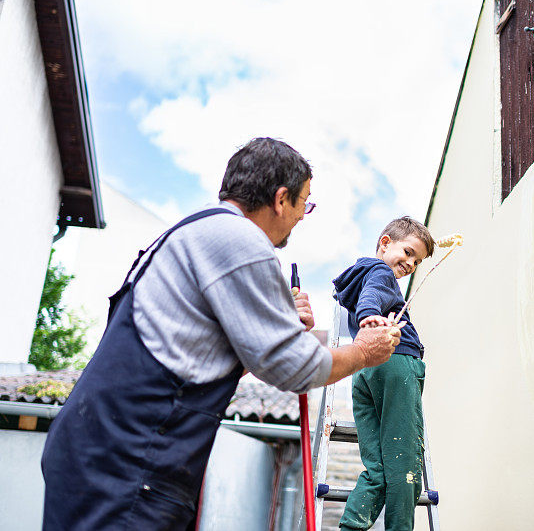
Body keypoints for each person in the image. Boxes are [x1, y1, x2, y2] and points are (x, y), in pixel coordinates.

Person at [40, 137, 402, 530]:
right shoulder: (241, 241)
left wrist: (275, 328)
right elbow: (295, 367)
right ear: (281, 199)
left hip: (105, 453)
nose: (302, 216)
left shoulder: (199, 231)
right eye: (304, 203)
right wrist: (364, 351)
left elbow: (199, 360)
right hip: (126, 462)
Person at [332, 216, 435, 531]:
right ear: (385, 243)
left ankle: (350, 527)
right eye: (408, 252)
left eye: (416, 262)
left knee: (377, 469)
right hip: (395, 365)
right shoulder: (379, 272)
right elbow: (372, 297)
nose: (410, 264)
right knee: (404, 466)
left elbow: (368, 296)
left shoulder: (361, 274)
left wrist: (366, 318)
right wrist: (371, 318)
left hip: (365, 372)